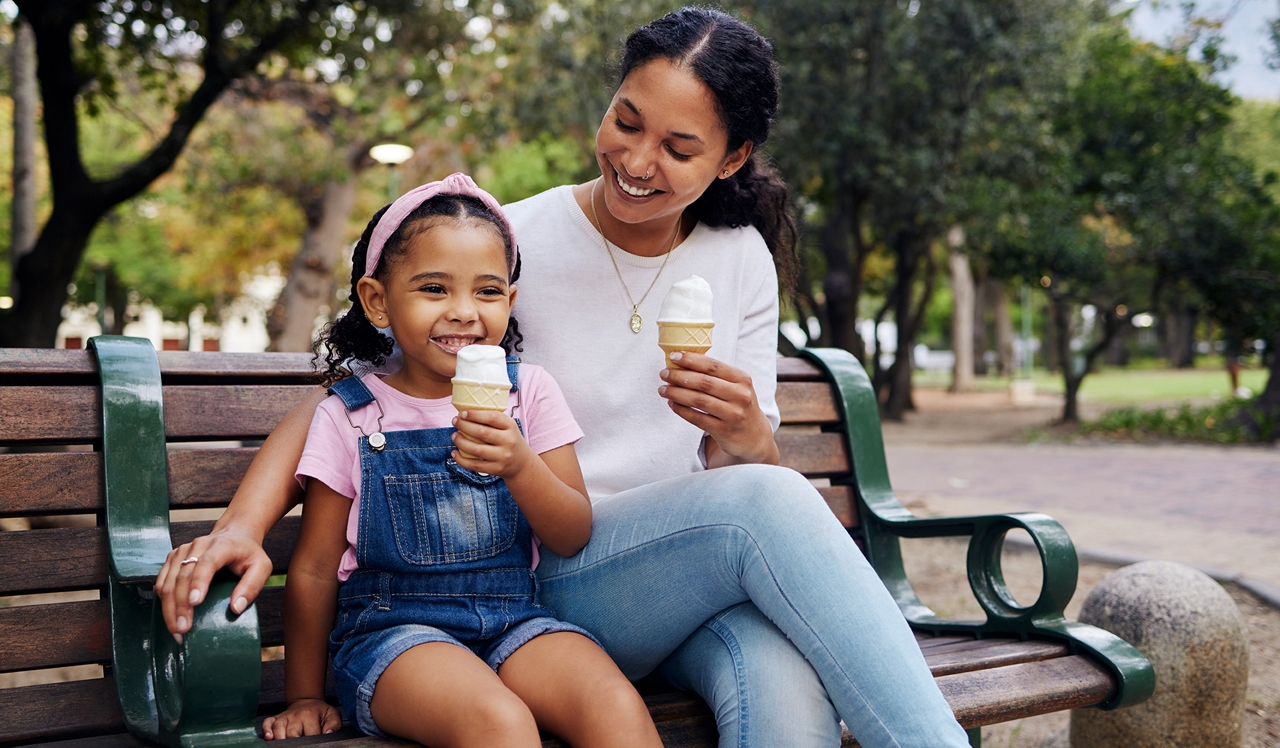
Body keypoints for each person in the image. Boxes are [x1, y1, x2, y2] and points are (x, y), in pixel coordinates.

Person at [157, 9, 971, 747]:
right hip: (544, 569)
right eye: (626, 121)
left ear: (734, 159)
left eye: (680, 148)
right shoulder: (515, 244)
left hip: (674, 581)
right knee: (773, 499)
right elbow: (359, 397)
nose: (638, 161)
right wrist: (243, 523)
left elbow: (725, 481)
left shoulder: (740, 260)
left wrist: (748, 436)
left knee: (786, 690)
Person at [255, 174, 662, 747]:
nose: (465, 313)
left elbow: (572, 533)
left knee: (612, 702)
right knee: (499, 721)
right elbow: (317, 567)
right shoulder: (353, 415)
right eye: (434, 289)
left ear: (511, 301)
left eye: (488, 292)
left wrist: (520, 465)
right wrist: (303, 695)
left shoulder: (530, 394)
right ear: (377, 301)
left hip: (515, 620)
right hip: (393, 635)